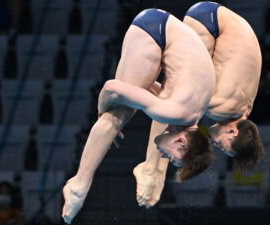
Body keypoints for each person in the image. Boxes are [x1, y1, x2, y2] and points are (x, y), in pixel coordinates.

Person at [62, 8, 216, 224]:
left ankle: (82, 180)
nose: (164, 157)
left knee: (129, 101)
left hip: (165, 30)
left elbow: (152, 88)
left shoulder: (193, 113)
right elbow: (111, 88)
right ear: (181, 141)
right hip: (154, 31)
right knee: (118, 113)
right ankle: (80, 185)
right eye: (171, 158)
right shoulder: (175, 112)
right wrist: (103, 114)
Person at [135, 1, 265, 208]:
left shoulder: (243, 108)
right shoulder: (223, 109)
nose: (218, 147)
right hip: (209, 23)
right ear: (232, 132)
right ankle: (153, 171)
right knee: (174, 107)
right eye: (224, 147)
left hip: (219, 20)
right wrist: (157, 166)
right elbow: (170, 108)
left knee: (179, 99)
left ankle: (154, 168)